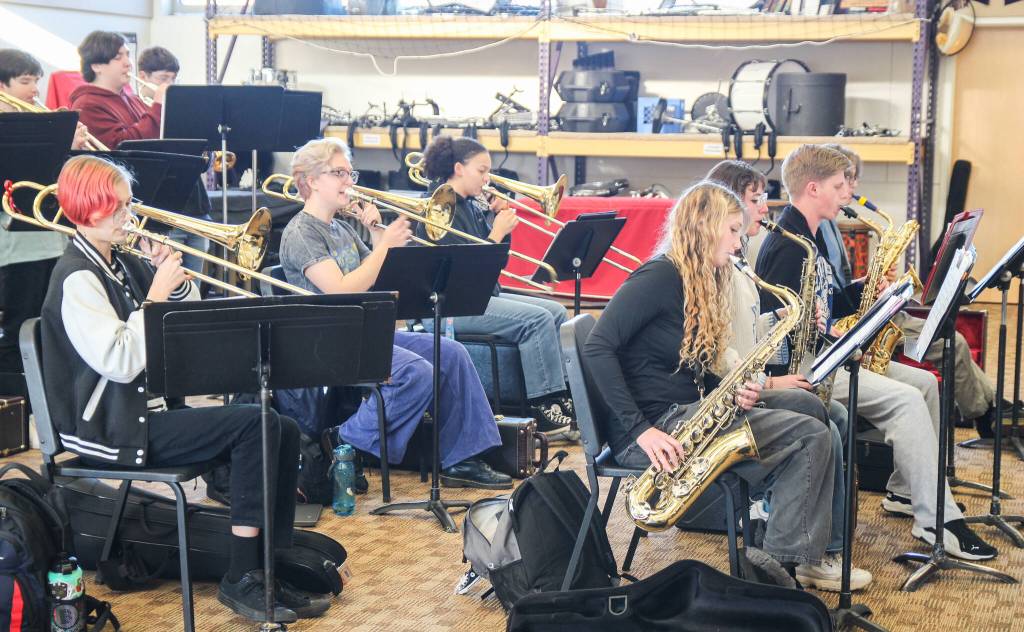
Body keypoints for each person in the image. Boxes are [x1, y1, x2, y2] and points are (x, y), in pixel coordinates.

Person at [38, 154, 325, 622]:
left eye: (129, 205)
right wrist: (153, 299)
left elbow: (178, 317)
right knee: (256, 426)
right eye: (118, 208)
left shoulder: (118, 262)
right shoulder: (76, 278)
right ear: (88, 209)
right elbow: (122, 359)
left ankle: (268, 568)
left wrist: (167, 280)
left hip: (140, 414)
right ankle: (239, 576)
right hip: (107, 427)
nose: (129, 217)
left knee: (284, 428)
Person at [755, 144, 996, 560]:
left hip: (828, 356)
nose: (847, 192)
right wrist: (847, 345)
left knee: (923, 383)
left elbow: (824, 304)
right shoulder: (788, 248)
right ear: (813, 188)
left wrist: (865, 290)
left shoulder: (808, 236)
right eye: (838, 185)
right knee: (903, 400)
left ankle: (906, 492)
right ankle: (937, 519)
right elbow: (781, 336)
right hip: (810, 370)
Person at [584, 180, 837, 576]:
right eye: (733, 231)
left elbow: (691, 367)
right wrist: (641, 430)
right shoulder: (657, 277)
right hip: (659, 430)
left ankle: (794, 531)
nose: (739, 244)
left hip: (690, 410)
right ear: (704, 226)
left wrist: (735, 389)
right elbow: (597, 347)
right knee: (811, 436)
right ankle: (778, 573)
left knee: (810, 405)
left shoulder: (700, 277)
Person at [277, 137, 511, 490]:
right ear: (310, 181)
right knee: (416, 372)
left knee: (452, 354)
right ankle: (344, 440)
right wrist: (383, 247)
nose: (349, 181)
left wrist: (374, 234)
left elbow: (377, 279)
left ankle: (461, 457)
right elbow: (341, 290)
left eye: (349, 172)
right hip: (325, 339)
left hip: (362, 331)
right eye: (338, 173)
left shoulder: (340, 227)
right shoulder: (300, 233)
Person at [707, 160, 870, 591]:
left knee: (830, 415)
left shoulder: (739, 260)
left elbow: (746, 333)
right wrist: (772, 381)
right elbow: (718, 357)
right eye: (755, 199)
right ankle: (805, 556)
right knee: (823, 427)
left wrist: (783, 317)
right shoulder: (722, 265)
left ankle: (822, 545)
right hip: (733, 395)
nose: (765, 208)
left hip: (750, 382)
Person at [823, 143, 999, 439]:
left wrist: (874, 279)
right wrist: (867, 285)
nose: (852, 187)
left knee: (953, 339)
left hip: (869, 310)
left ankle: (993, 404)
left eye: (853, 179)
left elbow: (839, 281)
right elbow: (831, 290)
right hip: (857, 321)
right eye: (845, 180)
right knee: (953, 343)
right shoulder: (822, 226)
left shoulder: (832, 222)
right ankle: (986, 413)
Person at [418, 135, 574, 433]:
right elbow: (462, 274)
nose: (487, 179)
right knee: (537, 320)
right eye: (481, 170)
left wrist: (498, 222)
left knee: (555, 310)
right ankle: (541, 406)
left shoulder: (472, 205)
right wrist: (496, 234)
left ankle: (560, 394)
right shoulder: (438, 208)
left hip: (478, 295)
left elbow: (495, 265)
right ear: (458, 168)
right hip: (453, 305)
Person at [0, 49, 88, 374]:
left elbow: (57, 182)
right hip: (14, 250)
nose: (34, 89)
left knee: (52, 328)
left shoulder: (38, 126)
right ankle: (17, 410)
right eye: (25, 81)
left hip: (53, 241)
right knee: (18, 330)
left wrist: (70, 150)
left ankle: (47, 404)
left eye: (36, 80)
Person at [70, 31, 167, 150]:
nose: (128, 63)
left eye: (128, 55)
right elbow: (121, 146)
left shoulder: (133, 99)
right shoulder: (87, 105)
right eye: (118, 57)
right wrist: (158, 107)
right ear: (96, 66)